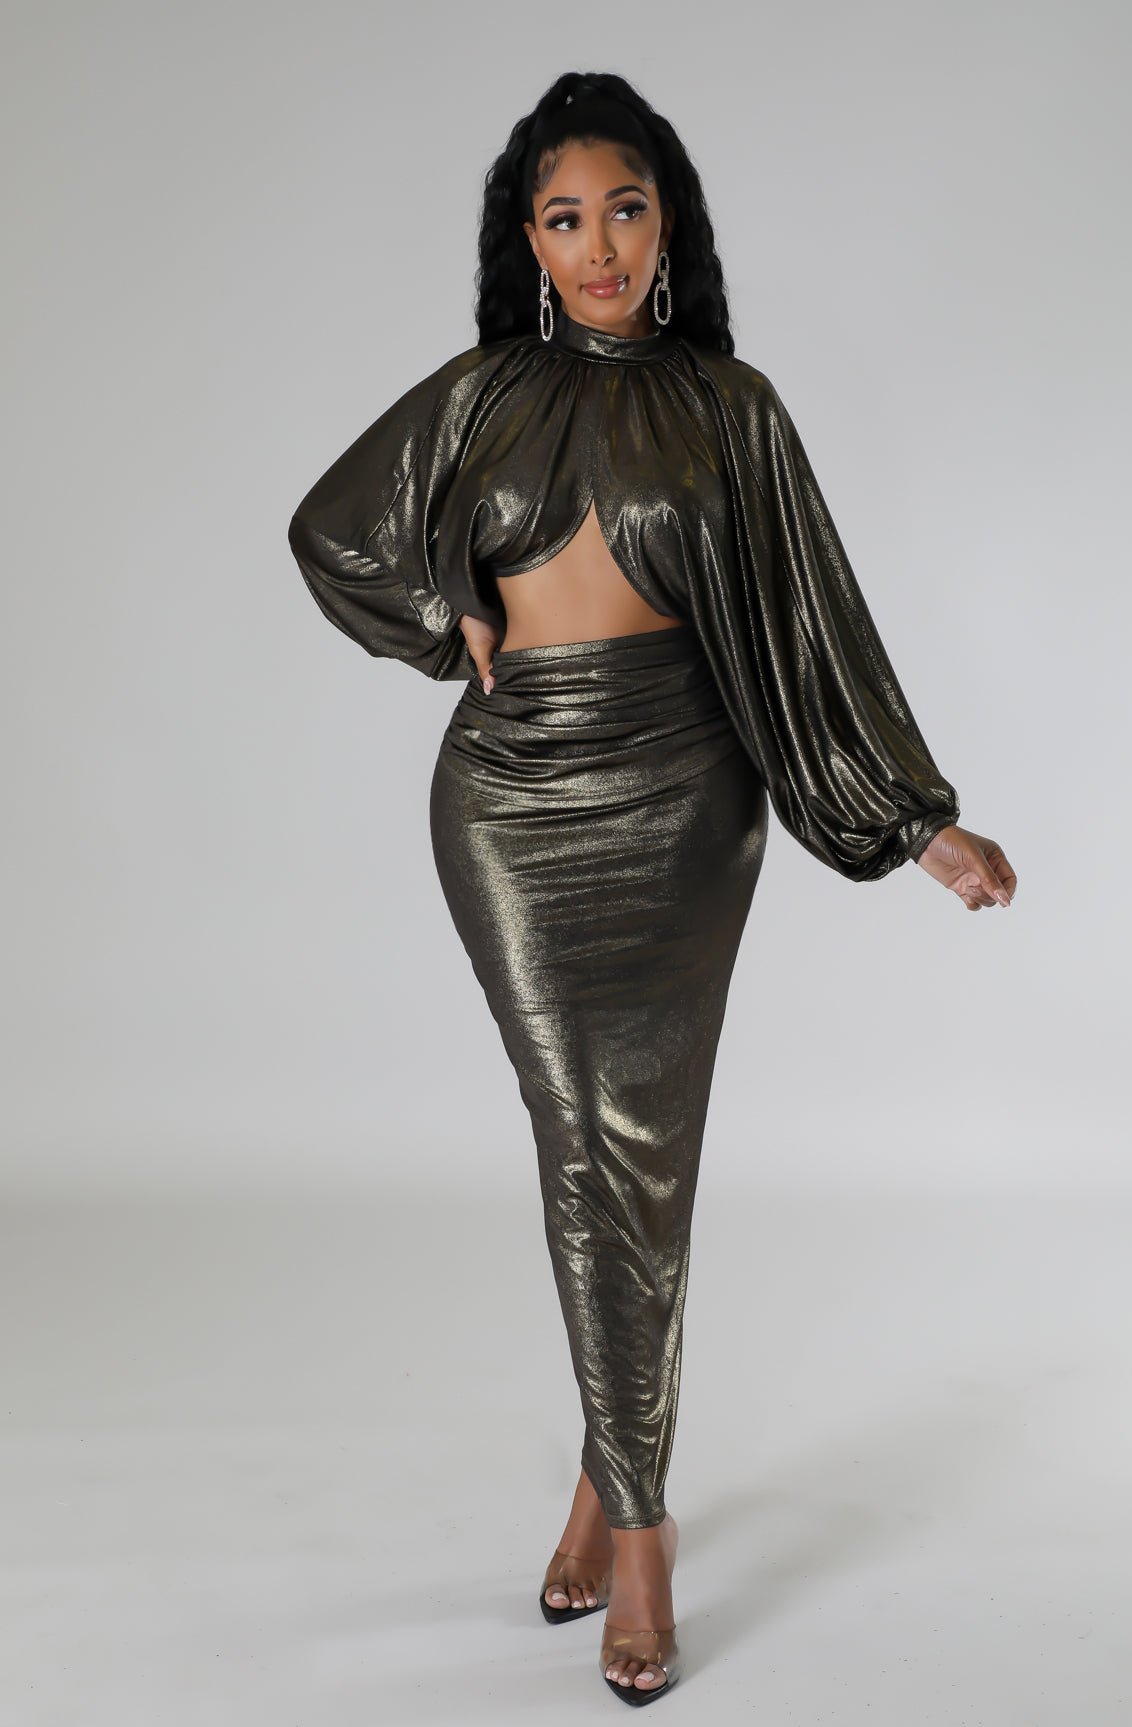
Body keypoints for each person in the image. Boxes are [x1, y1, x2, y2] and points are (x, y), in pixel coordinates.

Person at [287, 69, 1017, 1708]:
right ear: (530, 243)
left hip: (688, 797)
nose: (599, 246)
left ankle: (611, 1493)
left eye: (624, 209)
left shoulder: (731, 407)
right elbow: (332, 532)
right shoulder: (483, 393)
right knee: (585, 1147)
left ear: (668, 220)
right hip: (510, 804)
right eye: (565, 219)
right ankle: (640, 1525)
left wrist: (919, 827)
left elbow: (819, 630)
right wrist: (447, 616)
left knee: (639, 1163)